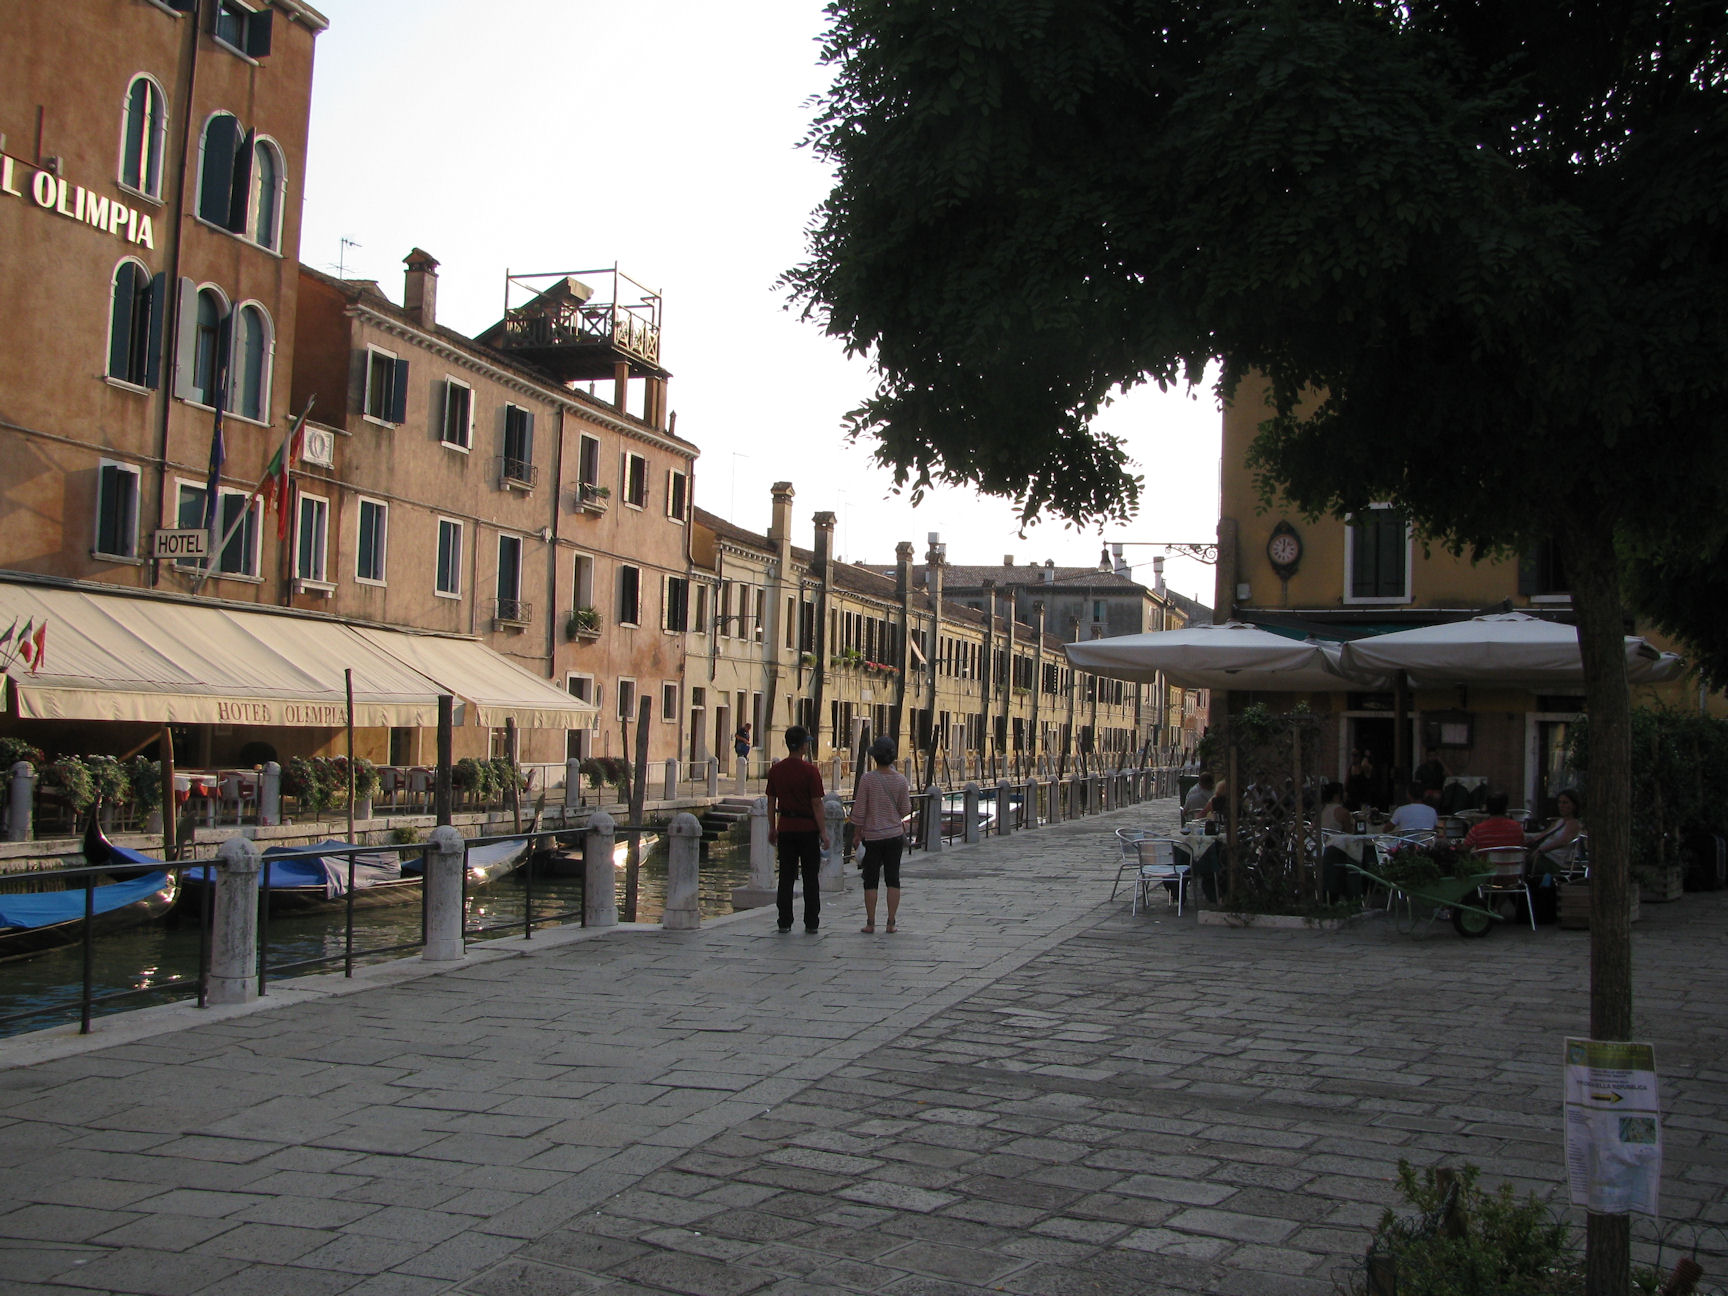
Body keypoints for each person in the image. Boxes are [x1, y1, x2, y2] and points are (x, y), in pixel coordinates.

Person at [765, 725, 828, 932]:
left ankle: (784, 921)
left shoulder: (776, 770)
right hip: (808, 829)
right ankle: (811, 922)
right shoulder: (811, 771)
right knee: (810, 878)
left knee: (786, 876)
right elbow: (817, 803)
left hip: (786, 827)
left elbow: (771, 802)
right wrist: (824, 832)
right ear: (802, 746)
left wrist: (772, 828)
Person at [848, 736, 912, 933]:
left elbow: (859, 810)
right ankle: (891, 923)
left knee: (871, 880)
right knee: (893, 878)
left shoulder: (867, 779)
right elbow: (906, 809)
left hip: (872, 837)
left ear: (875, 757)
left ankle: (870, 923)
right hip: (894, 836)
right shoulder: (901, 780)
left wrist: (857, 834)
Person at [1526, 788, 1585, 866]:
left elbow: (1563, 841)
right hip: (1542, 855)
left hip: (1554, 860)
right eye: (1559, 802)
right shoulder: (1559, 821)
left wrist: (1541, 850)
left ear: (1574, 805)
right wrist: (1528, 839)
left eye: (1565, 803)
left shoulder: (1574, 823)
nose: (1561, 806)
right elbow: (1543, 834)